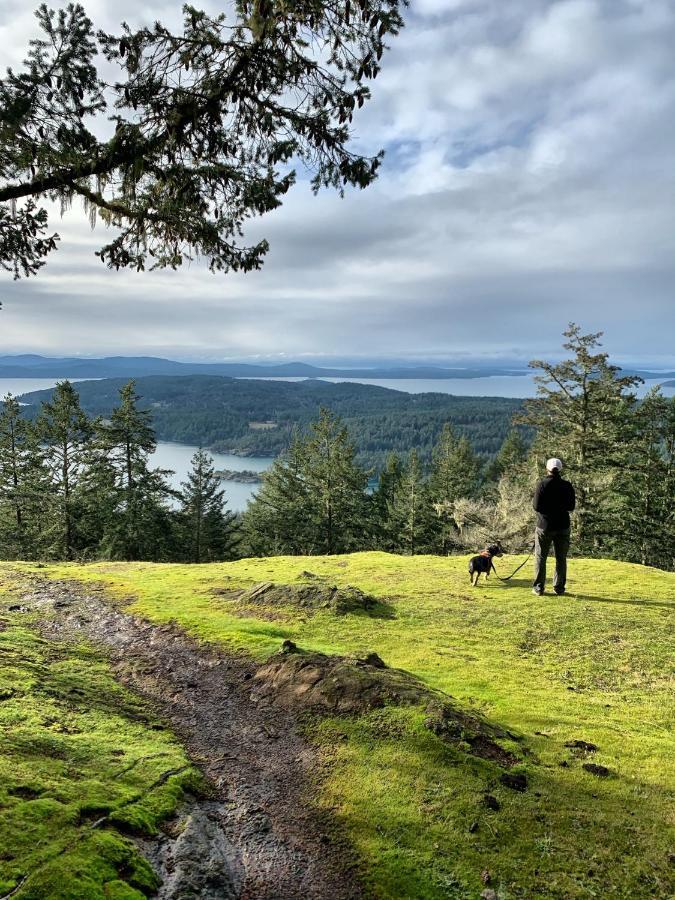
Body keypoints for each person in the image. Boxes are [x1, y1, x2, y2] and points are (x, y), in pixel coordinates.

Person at [532, 457, 575, 596]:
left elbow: (536, 506)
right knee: (561, 558)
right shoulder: (567, 485)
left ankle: (539, 587)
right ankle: (559, 588)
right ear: (560, 469)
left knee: (541, 557)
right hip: (563, 525)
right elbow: (571, 506)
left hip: (545, 525)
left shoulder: (542, 485)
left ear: (547, 469)